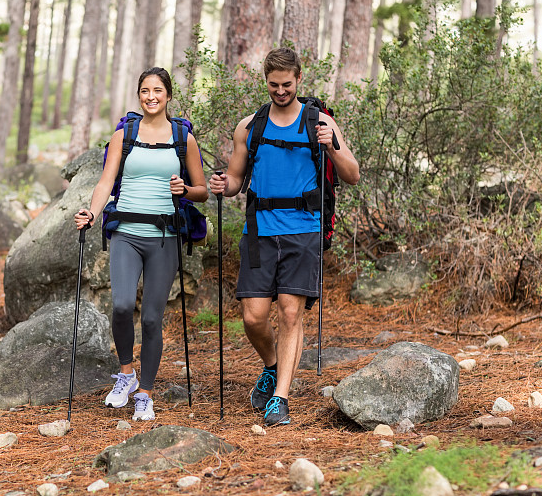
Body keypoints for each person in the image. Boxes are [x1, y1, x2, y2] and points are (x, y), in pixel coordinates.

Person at [209, 47, 360, 426]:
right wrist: (221, 184)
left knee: (291, 312)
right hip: (259, 231)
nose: (280, 91)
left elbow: (353, 174)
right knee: (253, 317)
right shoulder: (250, 126)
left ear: (299, 79)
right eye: (274, 85)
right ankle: (273, 366)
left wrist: (332, 145)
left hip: (303, 231)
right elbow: (235, 180)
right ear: (266, 81)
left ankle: (280, 398)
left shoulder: (319, 122)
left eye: (287, 84)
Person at [75, 67, 208, 421]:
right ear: (139, 96)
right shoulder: (125, 135)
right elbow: (106, 182)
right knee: (120, 306)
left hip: (164, 237)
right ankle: (127, 374)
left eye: (158, 91)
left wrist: (185, 191)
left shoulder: (183, 138)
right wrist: (91, 212)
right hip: (126, 233)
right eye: (145, 91)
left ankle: (145, 394)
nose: (151, 97)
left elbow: (203, 191)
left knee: (151, 318)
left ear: (168, 96)